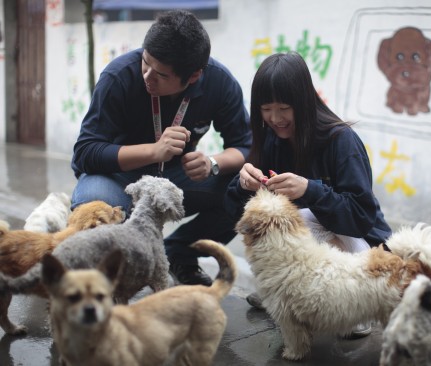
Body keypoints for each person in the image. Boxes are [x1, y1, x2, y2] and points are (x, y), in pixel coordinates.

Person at [71, 10, 251, 286]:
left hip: (175, 180)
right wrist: (154, 151)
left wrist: (212, 163)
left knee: (246, 192)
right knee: (94, 210)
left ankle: (179, 252)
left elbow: (246, 145)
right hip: (114, 176)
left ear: (193, 76)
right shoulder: (119, 76)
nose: (147, 76)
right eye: (145, 62)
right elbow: (85, 153)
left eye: (161, 74)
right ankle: (101, 283)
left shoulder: (219, 82)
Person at [224, 52, 392, 337]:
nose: (275, 118)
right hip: (314, 248)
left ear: (303, 102)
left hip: (362, 249)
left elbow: (362, 218)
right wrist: (242, 186)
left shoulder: (342, 141)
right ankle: (286, 299)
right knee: (276, 222)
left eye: (284, 108)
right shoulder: (271, 140)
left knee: (301, 218)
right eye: (266, 108)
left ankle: (357, 306)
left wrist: (311, 190)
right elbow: (236, 214)